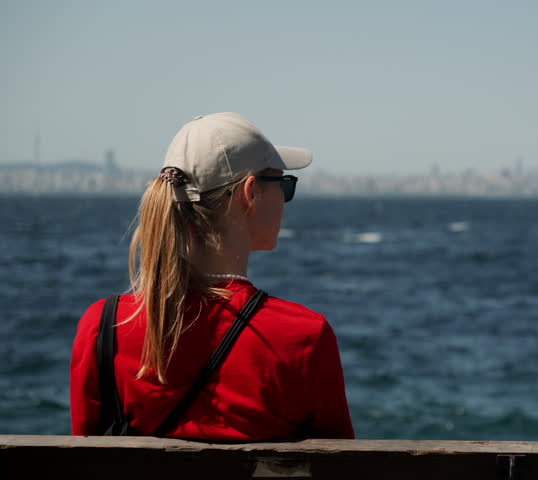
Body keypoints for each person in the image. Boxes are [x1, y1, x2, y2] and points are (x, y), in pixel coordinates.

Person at [70, 112, 354, 441]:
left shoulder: (103, 329)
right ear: (250, 192)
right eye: (283, 183)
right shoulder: (303, 338)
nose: (285, 200)